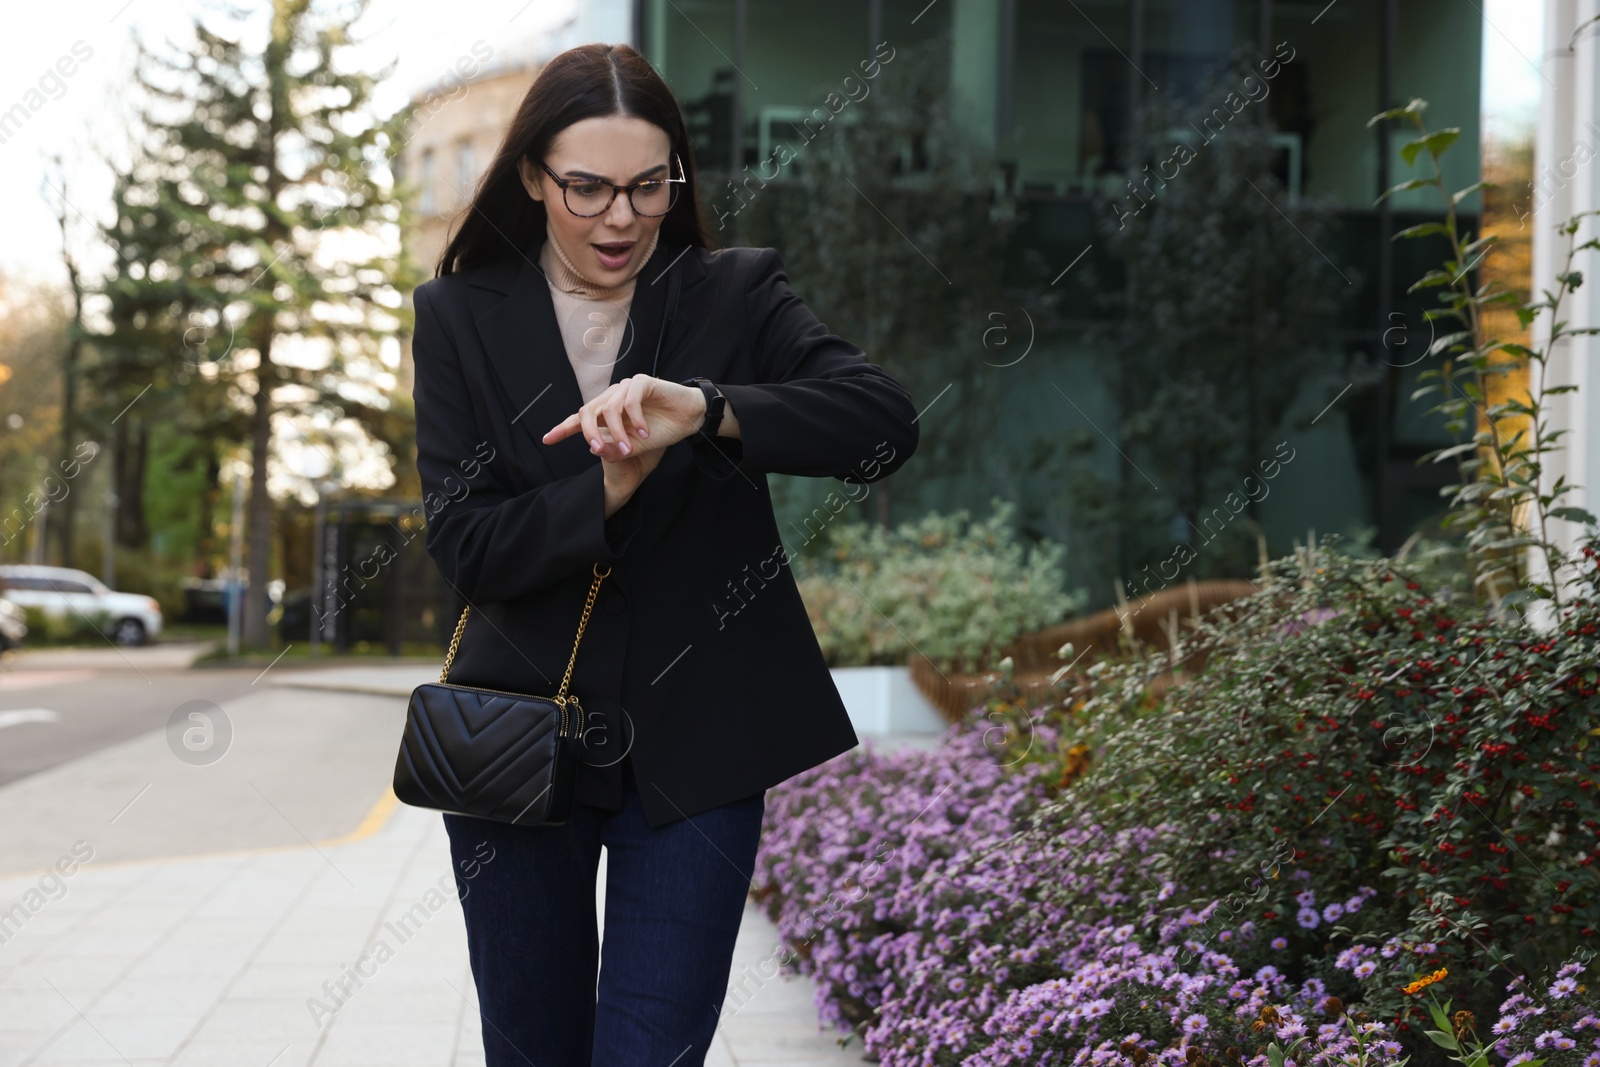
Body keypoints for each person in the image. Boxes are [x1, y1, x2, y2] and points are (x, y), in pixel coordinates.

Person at [410, 41, 919, 1066]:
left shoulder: (734, 292)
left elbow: (880, 425)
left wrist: (710, 409)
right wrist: (602, 487)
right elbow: (466, 544)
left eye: (648, 187)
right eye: (587, 188)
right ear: (531, 178)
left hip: (702, 748)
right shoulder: (457, 316)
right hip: (516, 741)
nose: (620, 218)